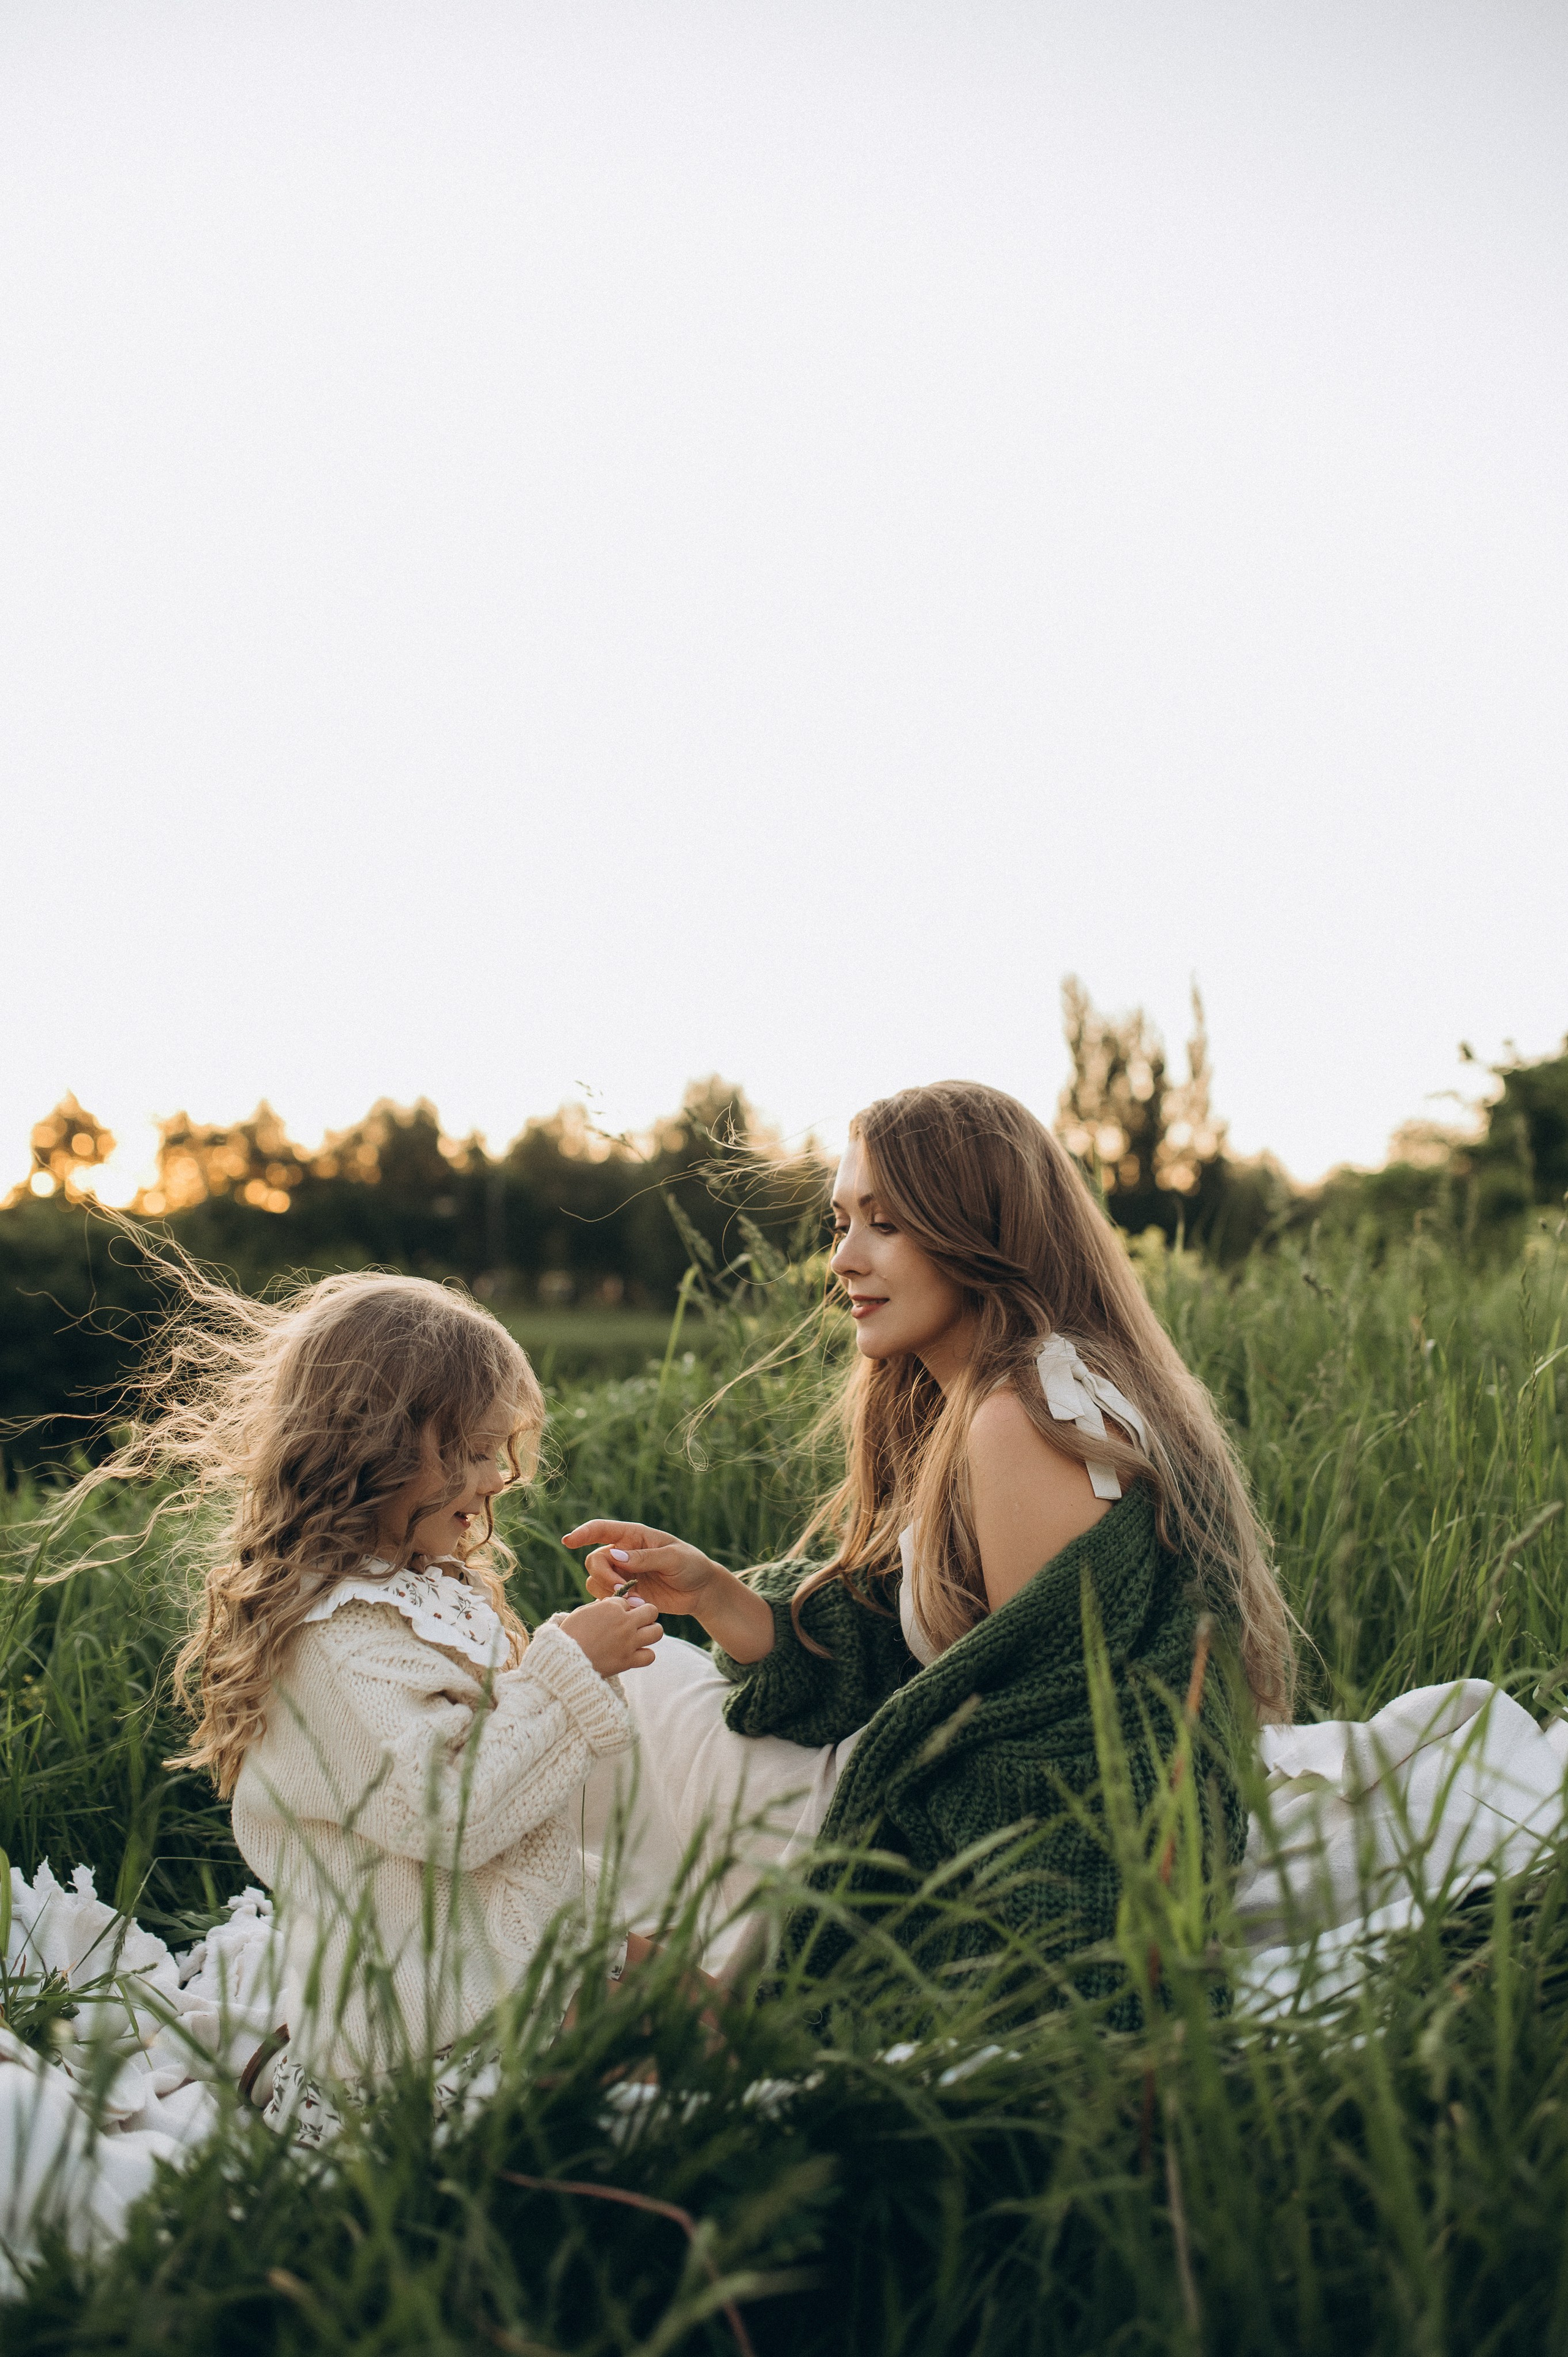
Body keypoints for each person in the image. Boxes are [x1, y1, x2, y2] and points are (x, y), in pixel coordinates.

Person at [568, 1080, 1294, 2003]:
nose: (844, 1259)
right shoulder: (1003, 1396)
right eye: (841, 1224)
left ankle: (569, 1973)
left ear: (979, 1232)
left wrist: (860, 1937)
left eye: (886, 1225)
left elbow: (1053, 1758)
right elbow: (927, 1639)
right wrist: (719, 1595)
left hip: (960, 1852)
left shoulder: (1022, 1420)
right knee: (636, 1689)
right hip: (933, 1804)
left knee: (617, 1696)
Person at [86, 1265, 663, 2105]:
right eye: (472, 1452)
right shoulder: (338, 1638)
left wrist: (589, 1652)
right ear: (373, 1453)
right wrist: (568, 1666)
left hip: (501, 1934)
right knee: (697, 2076)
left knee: (713, 2008)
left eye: (496, 1452)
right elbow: (450, 1813)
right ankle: (344, 2092)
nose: (497, 1478)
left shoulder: (417, 1588)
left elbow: (508, 1754)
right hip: (434, 2007)